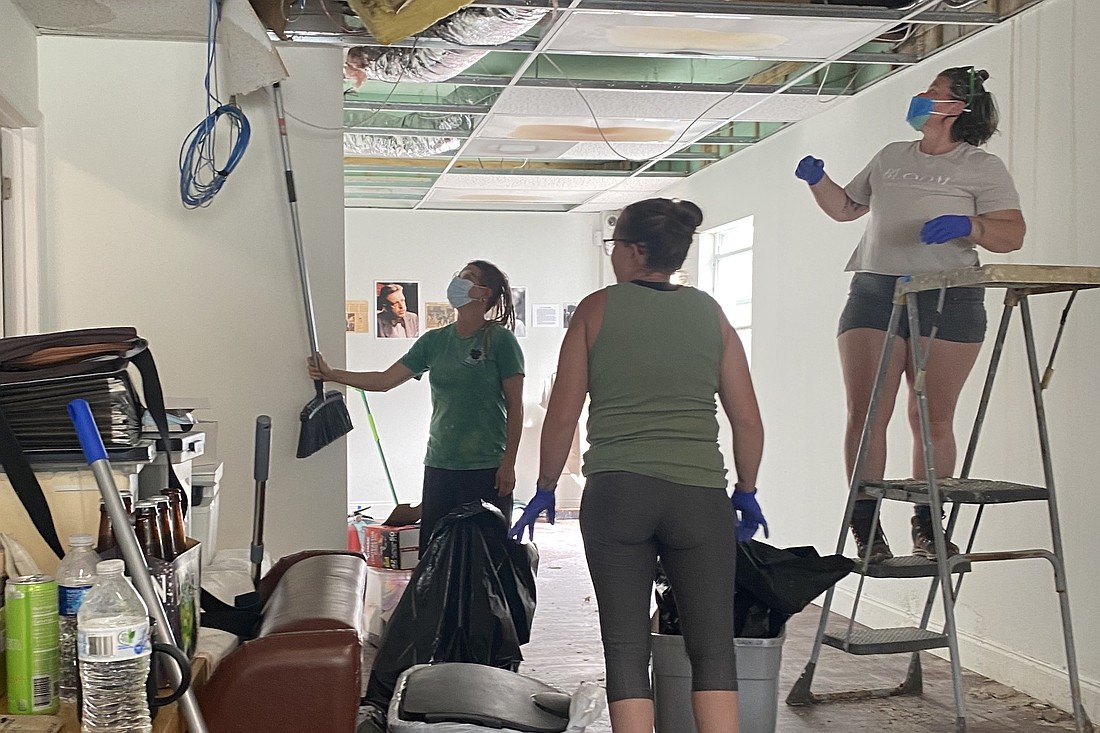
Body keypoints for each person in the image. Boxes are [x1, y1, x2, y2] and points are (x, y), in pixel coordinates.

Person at [511, 198, 767, 733]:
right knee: (713, 646)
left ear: (632, 251)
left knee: (626, 649)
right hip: (700, 497)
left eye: (614, 248)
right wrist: (746, 488)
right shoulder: (711, 313)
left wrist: (544, 485)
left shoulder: (596, 309)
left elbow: (563, 416)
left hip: (618, 494)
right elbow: (747, 421)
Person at [794, 66, 1025, 563]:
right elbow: (846, 209)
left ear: (956, 108)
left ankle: (927, 523)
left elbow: (1012, 235)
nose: (922, 98)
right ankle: (866, 523)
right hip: (876, 290)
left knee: (930, 416)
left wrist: (971, 224)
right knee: (866, 412)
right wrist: (819, 181)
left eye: (934, 93)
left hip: (949, 295)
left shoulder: (981, 167)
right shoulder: (891, 156)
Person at [310, 261, 524, 548]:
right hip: (441, 462)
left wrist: (508, 463)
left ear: (484, 293)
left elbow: (515, 407)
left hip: (486, 467)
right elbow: (384, 380)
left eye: (468, 278)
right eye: (458, 276)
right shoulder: (434, 341)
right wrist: (332, 374)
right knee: (436, 554)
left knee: (484, 555)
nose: (458, 282)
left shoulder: (500, 340)